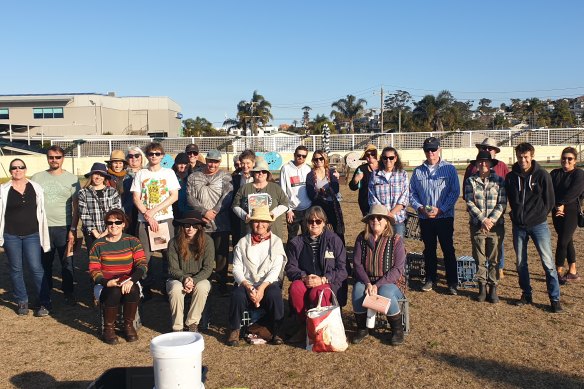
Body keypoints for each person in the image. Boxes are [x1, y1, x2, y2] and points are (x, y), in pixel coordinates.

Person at [506, 142, 562, 312]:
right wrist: (515, 215)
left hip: (539, 225)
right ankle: (526, 294)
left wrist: (539, 214)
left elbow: (550, 200)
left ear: (531, 156)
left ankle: (554, 298)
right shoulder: (511, 177)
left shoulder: (542, 175)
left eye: (526, 157)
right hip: (519, 226)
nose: (523, 160)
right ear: (516, 157)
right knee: (521, 263)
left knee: (548, 263)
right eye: (520, 157)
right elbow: (510, 198)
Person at [285, 206, 347, 343]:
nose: (314, 224)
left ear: (324, 223)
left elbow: (342, 270)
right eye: (310, 221)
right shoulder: (297, 242)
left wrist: (324, 279)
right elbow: (290, 267)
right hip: (305, 279)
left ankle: (321, 328)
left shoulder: (334, 240)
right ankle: (304, 325)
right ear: (306, 223)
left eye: (318, 221)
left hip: (327, 282)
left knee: (318, 293)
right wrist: (303, 277)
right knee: (296, 288)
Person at [227, 206, 286, 346]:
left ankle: (277, 330)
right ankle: (234, 329)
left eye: (263, 221)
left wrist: (262, 288)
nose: (260, 225)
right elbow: (236, 268)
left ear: (269, 223)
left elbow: (276, 269)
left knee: (274, 294)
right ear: (251, 223)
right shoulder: (242, 243)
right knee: (238, 295)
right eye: (256, 222)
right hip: (248, 283)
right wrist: (248, 286)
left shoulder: (276, 242)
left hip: (268, 283)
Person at [31, 145, 81, 310]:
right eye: (51, 157)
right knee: (45, 263)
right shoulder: (37, 177)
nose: (54, 160)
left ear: (62, 159)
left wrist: (73, 229)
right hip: (43, 227)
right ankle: (46, 292)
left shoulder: (72, 179)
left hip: (64, 227)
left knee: (67, 262)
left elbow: (76, 208)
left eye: (57, 157)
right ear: (47, 158)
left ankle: (68, 292)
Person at [409, 137, 460, 295]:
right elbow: (412, 194)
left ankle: (452, 281)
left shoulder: (450, 169)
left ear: (440, 149)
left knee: (448, 249)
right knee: (429, 249)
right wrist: (420, 208)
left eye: (433, 149)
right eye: (427, 150)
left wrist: (441, 209)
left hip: (444, 217)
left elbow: (454, 192)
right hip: (425, 218)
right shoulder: (418, 171)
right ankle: (430, 278)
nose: (430, 153)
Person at [0, 159, 51, 316]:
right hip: (11, 235)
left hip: (32, 234)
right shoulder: (3, 189)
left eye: (20, 167)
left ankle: (44, 302)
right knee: (16, 269)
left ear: (25, 169)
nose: (17, 170)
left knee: (36, 268)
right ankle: (22, 300)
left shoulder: (35, 188)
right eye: (14, 168)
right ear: (10, 171)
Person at [89, 209, 147, 344]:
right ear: (106, 225)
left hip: (128, 280)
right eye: (110, 223)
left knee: (132, 289)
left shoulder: (133, 241)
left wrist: (132, 280)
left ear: (123, 224)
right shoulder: (98, 245)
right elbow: (93, 269)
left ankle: (128, 325)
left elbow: (142, 264)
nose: (113, 225)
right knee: (114, 291)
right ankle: (109, 329)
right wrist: (105, 282)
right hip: (106, 283)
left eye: (117, 222)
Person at [130, 142, 180, 299]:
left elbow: (174, 196)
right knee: (145, 255)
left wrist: (154, 212)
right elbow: (136, 198)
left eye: (157, 154)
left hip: (165, 218)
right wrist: (147, 215)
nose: (154, 156)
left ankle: (168, 285)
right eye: (151, 154)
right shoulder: (141, 174)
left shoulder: (168, 173)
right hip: (144, 220)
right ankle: (146, 287)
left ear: (162, 156)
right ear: (147, 155)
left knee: (168, 254)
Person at [352, 204, 407, 345]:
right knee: (358, 289)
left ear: (386, 221)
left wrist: (378, 284)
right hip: (368, 281)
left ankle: (397, 330)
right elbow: (357, 264)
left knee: (384, 291)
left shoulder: (396, 240)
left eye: (379, 218)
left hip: (392, 283)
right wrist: (368, 283)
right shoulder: (361, 238)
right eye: (372, 218)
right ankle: (362, 329)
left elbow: (397, 269)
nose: (375, 220)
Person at [187, 149, 233, 294]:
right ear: (206, 160)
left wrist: (214, 212)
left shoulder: (226, 176)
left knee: (221, 255)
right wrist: (204, 212)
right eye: (210, 161)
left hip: (221, 222)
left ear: (220, 162)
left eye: (216, 162)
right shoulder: (194, 176)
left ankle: (221, 284)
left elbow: (228, 196)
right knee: (199, 253)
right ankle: (199, 283)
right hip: (200, 222)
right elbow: (190, 197)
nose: (212, 164)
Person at [463, 137, 510, 279]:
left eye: (490, 148)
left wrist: (491, 220)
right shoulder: (471, 169)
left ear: (495, 151)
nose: (487, 150)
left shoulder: (502, 167)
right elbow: (468, 197)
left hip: (495, 217)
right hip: (477, 216)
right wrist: (482, 219)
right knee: (478, 249)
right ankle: (482, 280)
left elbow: (505, 193)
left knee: (496, 245)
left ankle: (498, 268)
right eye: (484, 148)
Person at [166, 210, 214, 332]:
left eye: (194, 226)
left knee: (203, 287)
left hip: (199, 278)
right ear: (182, 227)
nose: (190, 228)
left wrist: (193, 280)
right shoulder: (174, 242)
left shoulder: (208, 241)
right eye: (187, 225)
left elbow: (208, 268)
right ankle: (177, 327)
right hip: (178, 278)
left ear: (199, 227)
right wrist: (184, 279)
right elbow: (172, 269)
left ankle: (192, 323)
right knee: (176, 289)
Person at [232, 158, 289, 240]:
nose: (261, 173)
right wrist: (244, 216)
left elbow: (285, 203)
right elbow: (235, 205)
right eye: (258, 171)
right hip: (250, 230)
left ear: (268, 174)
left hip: (272, 230)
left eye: (264, 171)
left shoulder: (275, 188)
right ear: (253, 173)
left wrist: (273, 213)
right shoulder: (244, 188)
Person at [551, 147, 584, 284]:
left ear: (575, 161)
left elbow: (574, 192)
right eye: (564, 158)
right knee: (566, 239)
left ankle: (557, 272)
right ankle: (573, 271)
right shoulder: (554, 173)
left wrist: (562, 204)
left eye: (570, 158)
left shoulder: (579, 174)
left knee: (562, 241)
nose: (566, 161)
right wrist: (556, 206)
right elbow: (549, 190)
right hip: (556, 211)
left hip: (571, 211)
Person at [79, 163, 122, 249]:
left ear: (105, 177)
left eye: (101, 175)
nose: (98, 177)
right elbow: (84, 215)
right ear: (91, 175)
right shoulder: (83, 193)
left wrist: (106, 231)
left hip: (111, 230)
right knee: (94, 258)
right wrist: (95, 233)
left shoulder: (112, 192)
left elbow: (116, 211)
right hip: (91, 233)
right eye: (96, 174)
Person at [368, 146, 409, 237]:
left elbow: (405, 197)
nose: (388, 160)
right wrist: (384, 214)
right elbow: (372, 196)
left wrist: (392, 213)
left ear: (395, 159)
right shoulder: (375, 175)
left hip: (398, 219)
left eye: (391, 158)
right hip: (380, 220)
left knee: (398, 247)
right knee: (381, 246)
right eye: (385, 158)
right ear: (382, 159)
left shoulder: (403, 174)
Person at [306, 150, 345, 243]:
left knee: (338, 230)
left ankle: (341, 252)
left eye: (321, 158)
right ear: (313, 160)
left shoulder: (332, 172)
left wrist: (324, 191)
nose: (319, 161)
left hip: (333, 206)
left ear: (325, 159)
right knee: (319, 230)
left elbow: (336, 188)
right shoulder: (310, 175)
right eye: (316, 159)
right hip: (318, 207)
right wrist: (321, 192)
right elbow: (311, 193)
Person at [280, 145, 312, 239]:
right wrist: (288, 210)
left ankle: (305, 254)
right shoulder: (285, 168)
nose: (301, 157)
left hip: (307, 208)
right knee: (292, 236)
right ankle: (291, 254)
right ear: (294, 155)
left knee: (308, 236)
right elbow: (283, 190)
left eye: (304, 156)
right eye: (299, 155)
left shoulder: (308, 168)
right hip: (293, 210)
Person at [231, 150, 256, 244]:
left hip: (255, 213)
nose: (245, 166)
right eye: (242, 163)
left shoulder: (259, 176)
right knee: (238, 241)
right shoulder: (235, 178)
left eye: (248, 163)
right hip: (239, 214)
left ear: (253, 163)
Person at [349, 144, 379, 216]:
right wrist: (356, 180)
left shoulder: (383, 167)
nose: (370, 156)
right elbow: (352, 187)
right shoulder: (361, 169)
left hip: (382, 203)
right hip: (366, 204)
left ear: (376, 155)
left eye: (373, 154)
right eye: (368, 155)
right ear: (365, 157)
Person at [124, 146, 146, 236]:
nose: (134, 158)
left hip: (145, 210)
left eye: (137, 155)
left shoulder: (147, 172)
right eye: (130, 156)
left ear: (142, 157)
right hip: (128, 211)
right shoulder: (123, 175)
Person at [172, 152, 191, 221]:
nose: (183, 166)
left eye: (185, 163)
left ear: (189, 164)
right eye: (180, 163)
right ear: (176, 164)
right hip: (173, 213)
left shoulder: (193, 177)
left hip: (189, 213)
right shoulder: (170, 177)